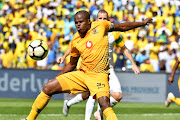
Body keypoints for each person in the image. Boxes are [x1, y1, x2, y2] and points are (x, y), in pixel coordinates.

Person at [26, 10, 152, 120]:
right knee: (48, 87)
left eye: (80, 22)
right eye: (76, 22)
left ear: (89, 21)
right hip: (82, 74)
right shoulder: (75, 39)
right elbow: (71, 64)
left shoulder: (101, 26)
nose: (78, 25)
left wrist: (142, 23)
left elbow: (122, 26)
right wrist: (57, 77)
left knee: (104, 104)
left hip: (99, 75)